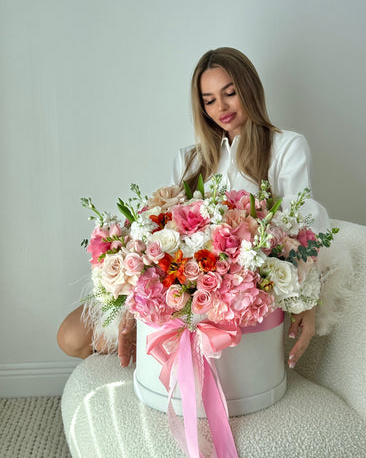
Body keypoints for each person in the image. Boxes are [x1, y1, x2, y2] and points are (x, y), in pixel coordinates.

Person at [57, 46, 330, 370]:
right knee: (71, 337)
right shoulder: (189, 159)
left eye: (230, 93)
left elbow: (304, 228)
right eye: (209, 99)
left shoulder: (286, 147)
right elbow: (163, 231)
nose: (221, 107)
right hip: (181, 285)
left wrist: (308, 301)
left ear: (250, 90)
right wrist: (136, 299)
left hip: (240, 292)